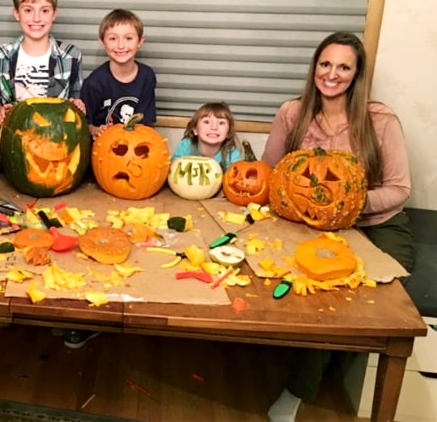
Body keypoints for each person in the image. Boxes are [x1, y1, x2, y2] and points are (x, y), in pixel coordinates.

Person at [262, 31, 414, 422]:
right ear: (315, 67)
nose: (332, 74)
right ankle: (301, 387)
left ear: (357, 74)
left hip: (377, 224)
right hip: (311, 225)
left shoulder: (379, 120)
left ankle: (322, 374)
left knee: (371, 298)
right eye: (326, 64)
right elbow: (270, 174)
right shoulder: (291, 114)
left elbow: (399, 189)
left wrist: (347, 205)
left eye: (344, 67)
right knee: (321, 294)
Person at [0, 0, 85, 125]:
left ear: (54, 14)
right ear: (16, 13)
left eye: (45, 11)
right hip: (13, 135)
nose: (36, 18)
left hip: (55, 138)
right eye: (28, 10)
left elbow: (77, 104)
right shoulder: (0, 55)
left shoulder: (71, 56)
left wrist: (79, 105)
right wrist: (1, 110)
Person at [80, 9, 156, 137]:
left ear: (140, 41)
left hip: (134, 145)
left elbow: (145, 123)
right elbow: (83, 126)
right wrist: (96, 130)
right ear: (102, 42)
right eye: (113, 38)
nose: (121, 45)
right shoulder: (94, 83)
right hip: (102, 149)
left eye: (128, 38)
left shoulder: (146, 77)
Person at [171, 102, 242, 169]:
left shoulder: (231, 155)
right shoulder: (186, 146)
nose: (214, 127)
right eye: (207, 122)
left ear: (228, 132)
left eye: (221, 123)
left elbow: (236, 176)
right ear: (195, 129)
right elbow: (173, 169)